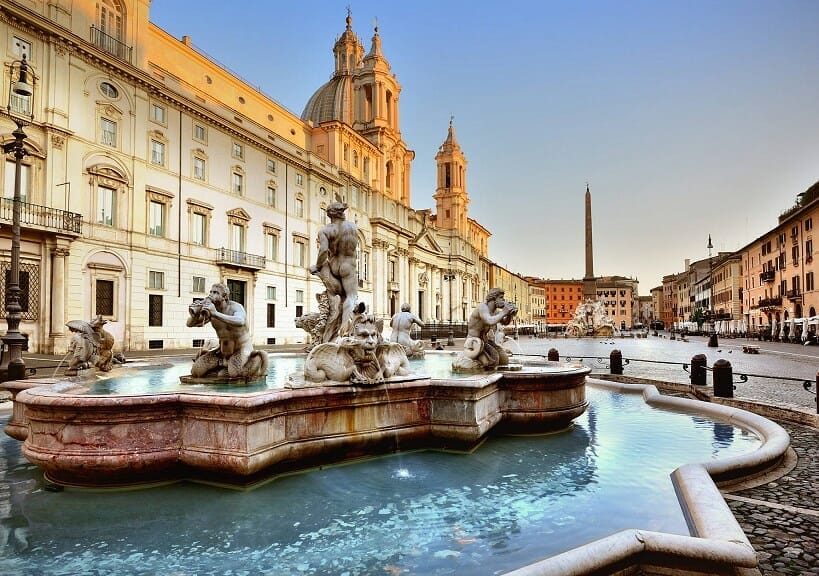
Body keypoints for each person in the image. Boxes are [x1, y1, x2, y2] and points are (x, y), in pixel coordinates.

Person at [187, 282, 267, 379]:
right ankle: (223, 368)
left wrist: (215, 314)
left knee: (235, 374)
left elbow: (240, 321)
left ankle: (256, 359)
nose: (211, 295)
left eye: (216, 292)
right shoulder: (211, 309)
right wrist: (194, 316)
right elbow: (190, 324)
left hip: (241, 349)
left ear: (224, 296)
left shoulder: (236, 307)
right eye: (211, 292)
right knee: (196, 371)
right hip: (220, 352)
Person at [309, 202, 359, 339]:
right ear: (342, 213)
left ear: (329, 215)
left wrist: (317, 266)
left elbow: (323, 250)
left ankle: (329, 329)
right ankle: (344, 329)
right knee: (350, 297)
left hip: (333, 266)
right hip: (348, 265)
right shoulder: (353, 227)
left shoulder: (325, 230)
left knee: (336, 297)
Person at [461, 287, 517, 369]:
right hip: (474, 342)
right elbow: (489, 321)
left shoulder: (495, 312)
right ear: (494, 298)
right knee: (493, 361)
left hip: (485, 342)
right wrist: (504, 311)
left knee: (504, 360)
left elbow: (505, 322)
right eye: (501, 298)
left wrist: (509, 314)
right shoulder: (482, 307)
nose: (504, 300)